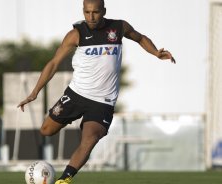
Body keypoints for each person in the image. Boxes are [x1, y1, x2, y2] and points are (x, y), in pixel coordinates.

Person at [17, 0, 175, 183]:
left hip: (102, 101)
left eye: (95, 12)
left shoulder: (119, 27)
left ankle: (65, 179)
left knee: (90, 138)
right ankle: (72, 119)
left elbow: (140, 38)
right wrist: (35, 92)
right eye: (87, 12)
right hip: (76, 94)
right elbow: (53, 63)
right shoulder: (75, 35)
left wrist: (155, 52)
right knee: (46, 130)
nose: (91, 17)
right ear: (83, 11)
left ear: (104, 11)